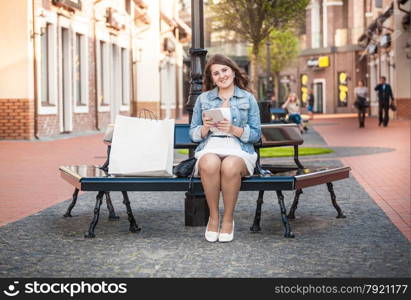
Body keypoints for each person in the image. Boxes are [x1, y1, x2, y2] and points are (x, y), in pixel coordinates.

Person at [189, 54, 261, 243]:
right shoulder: (204, 99)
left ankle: (228, 219)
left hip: (239, 149)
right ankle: (214, 217)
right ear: (211, 78)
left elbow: (256, 134)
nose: (221, 75)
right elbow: (193, 133)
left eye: (224, 70)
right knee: (210, 163)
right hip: (211, 145)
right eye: (215, 73)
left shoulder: (248, 98)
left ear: (233, 71)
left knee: (229, 166)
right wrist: (205, 127)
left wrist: (233, 129)